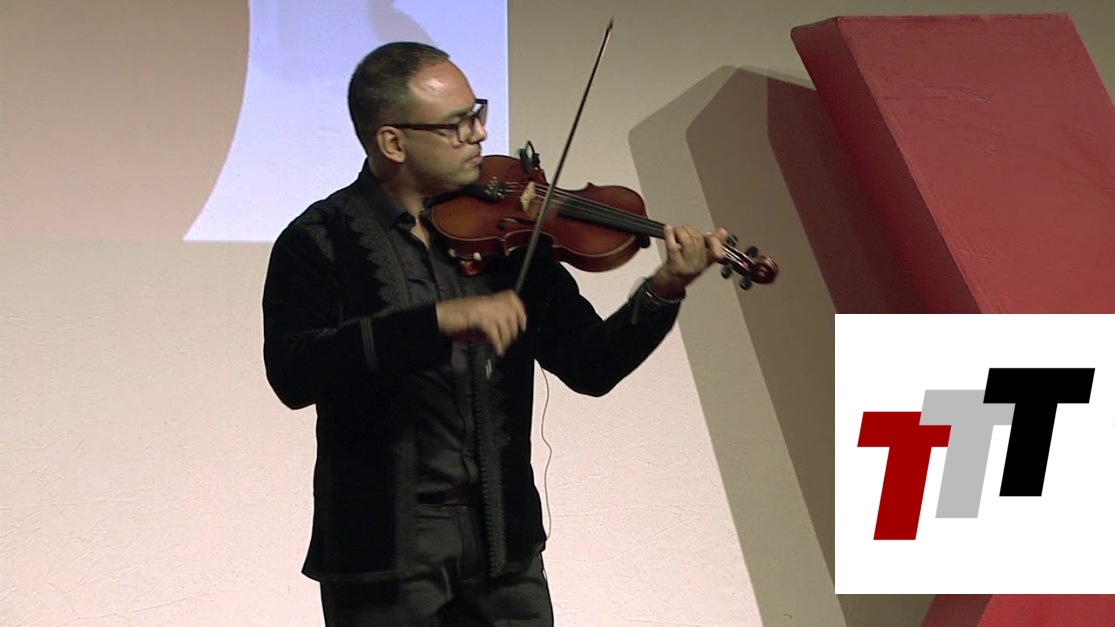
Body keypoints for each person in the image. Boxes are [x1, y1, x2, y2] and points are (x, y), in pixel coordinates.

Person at [262, 41, 727, 626]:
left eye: (476, 113)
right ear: (393, 142)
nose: (479, 134)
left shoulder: (511, 240)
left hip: (504, 543)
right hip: (384, 552)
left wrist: (665, 287)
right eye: (456, 125)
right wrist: (435, 322)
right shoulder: (319, 240)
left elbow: (590, 366)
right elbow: (294, 371)